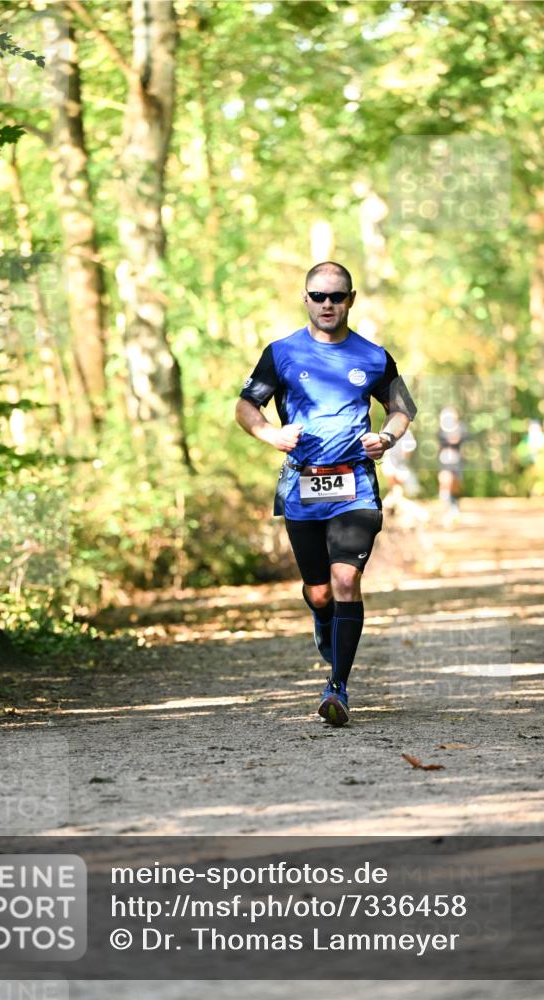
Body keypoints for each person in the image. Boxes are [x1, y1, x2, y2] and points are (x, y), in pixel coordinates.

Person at [235, 261, 416, 726]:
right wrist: (270, 435)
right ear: (306, 298)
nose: (328, 304)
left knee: (345, 582)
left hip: (354, 484)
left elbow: (402, 408)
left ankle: (337, 685)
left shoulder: (374, 356)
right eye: (319, 296)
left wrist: (388, 439)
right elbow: (245, 406)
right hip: (302, 484)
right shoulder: (281, 353)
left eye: (337, 296)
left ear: (351, 299)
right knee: (319, 593)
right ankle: (325, 622)